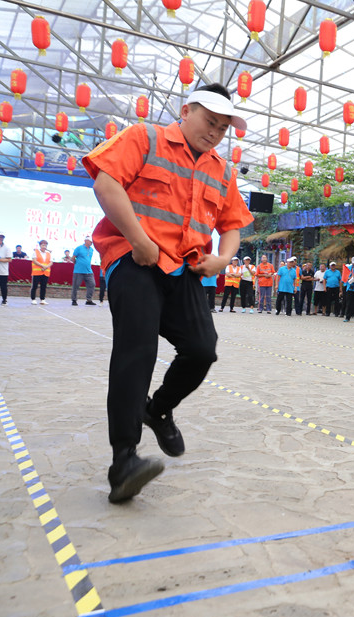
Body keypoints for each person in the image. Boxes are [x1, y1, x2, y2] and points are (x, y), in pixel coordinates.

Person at [84, 81, 253, 502]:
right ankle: (123, 460)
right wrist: (139, 239)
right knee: (135, 350)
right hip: (134, 259)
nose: (215, 132)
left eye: (223, 127)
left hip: (185, 270)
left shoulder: (222, 170)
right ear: (186, 110)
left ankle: (156, 409)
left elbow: (231, 225)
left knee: (202, 349)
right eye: (209, 121)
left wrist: (223, 259)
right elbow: (107, 184)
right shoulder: (145, 137)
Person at [71, 236, 96, 306]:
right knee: (76, 286)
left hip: (89, 271)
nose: (91, 243)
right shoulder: (79, 248)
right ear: (85, 241)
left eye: (92, 242)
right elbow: (72, 258)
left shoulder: (91, 250)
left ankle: (89, 300)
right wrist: (77, 264)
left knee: (92, 284)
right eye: (90, 241)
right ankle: (74, 300)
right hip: (78, 271)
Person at [30, 239, 52, 305]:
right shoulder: (36, 252)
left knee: (43, 286)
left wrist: (46, 267)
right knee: (35, 286)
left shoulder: (48, 253)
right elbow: (34, 260)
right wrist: (42, 265)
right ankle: (33, 299)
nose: (44, 246)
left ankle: (42, 299)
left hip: (45, 272)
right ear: (40, 245)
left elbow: (51, 262)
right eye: (43, 245)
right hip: (37, 272)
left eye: (45, 245)